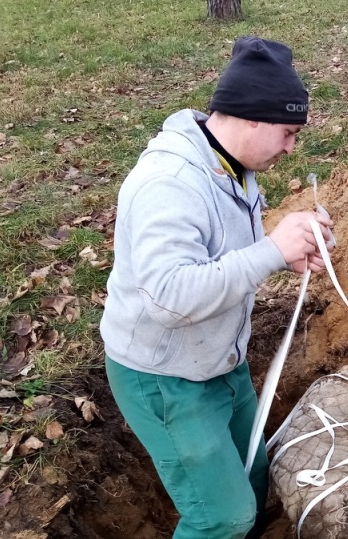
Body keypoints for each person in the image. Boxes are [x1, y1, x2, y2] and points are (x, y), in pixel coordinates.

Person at [99, 36, 333, 538]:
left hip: (218, 358)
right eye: (288, 132)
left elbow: (219, 257)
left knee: (253, 470)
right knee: (221, 517)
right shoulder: (170, 183)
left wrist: (286, 254)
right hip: (164, 376)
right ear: (253, 117)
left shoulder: (233, 165)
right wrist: (270, 250)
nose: (292, 148)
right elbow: (169, 296)